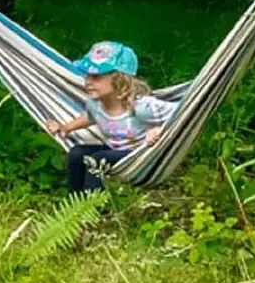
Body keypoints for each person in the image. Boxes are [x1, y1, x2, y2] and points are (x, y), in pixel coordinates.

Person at [43, 41, 176, 193]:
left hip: (142, 155)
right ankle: (74, 204)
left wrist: (159, 130)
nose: (88, 82)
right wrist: (65, 128)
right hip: (115, 152)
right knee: (77, 153)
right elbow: (89, 117)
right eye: (87, 76)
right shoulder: (95, 104)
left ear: (119, 80)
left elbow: (180, 113)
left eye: (96, 77)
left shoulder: (141, 106)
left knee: (97, 160)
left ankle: (92, 207)